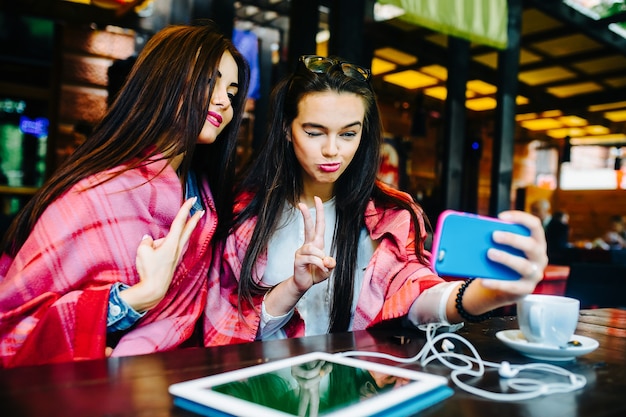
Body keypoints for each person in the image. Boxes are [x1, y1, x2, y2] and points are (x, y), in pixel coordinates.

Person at [202, 55, 548, 345]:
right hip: (258, 387)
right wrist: (293, 287)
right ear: (285, 131)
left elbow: (411, 293)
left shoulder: (388, 215)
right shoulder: (241, 213)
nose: (332, 150)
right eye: (314, 131)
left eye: (348, 133)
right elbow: (224, 331)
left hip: (355, 389)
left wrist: (487, 294)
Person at [0, 22, 250, 367]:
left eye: (233, 93)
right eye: (209, 82)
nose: (224, 101)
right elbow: (12, 325)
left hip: (172, 377)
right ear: (162, 82)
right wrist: (141, 296)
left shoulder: (206, 200)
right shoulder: (97, 194)